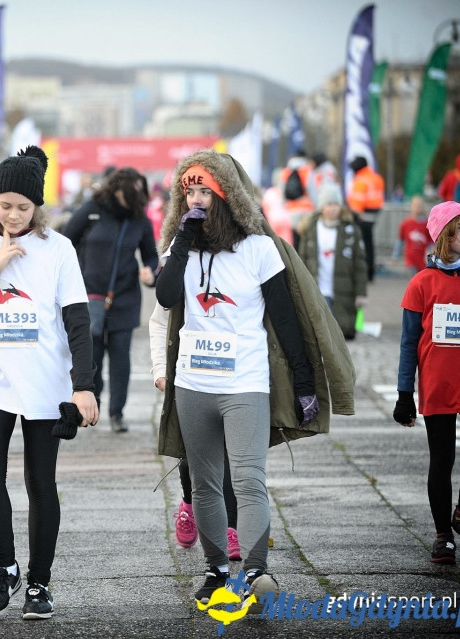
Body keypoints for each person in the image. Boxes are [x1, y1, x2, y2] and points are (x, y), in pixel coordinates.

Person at [155, 149, 328, 607]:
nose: (195, 199)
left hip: (245, 383)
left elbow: (286, 319)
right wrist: (182, 239)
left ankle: (255, 570)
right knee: (205, 484)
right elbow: (166, 295)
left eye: (204, 191)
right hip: (193, 384)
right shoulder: (181, 249)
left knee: (248, 479)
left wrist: (304, 382)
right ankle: (216, 569)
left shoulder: (259, 248)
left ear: (226, 195)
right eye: (188, 191)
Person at [0, 145, 98, 620]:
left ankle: (39, 583)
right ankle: (5, 568)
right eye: (4, 205)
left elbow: (78, 322)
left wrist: (84, 386)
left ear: (37, 207)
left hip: (45, 383)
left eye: (23, 207)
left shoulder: (59, 249)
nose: (12, 215)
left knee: (40, 482)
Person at [393, 201, 460, 566]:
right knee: (442, 460)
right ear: (443, 236)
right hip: (438, 385)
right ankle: (442, 535)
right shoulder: (422, 283)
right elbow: (408, 343)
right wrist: (404, 393)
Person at [62, 167, 158, 433]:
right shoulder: (92, 210)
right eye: (132, 194)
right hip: (89, 295)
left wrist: (150, 273)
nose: (138, 199)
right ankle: (92, 405)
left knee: (120, 357)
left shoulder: (140, 219)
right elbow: (65, 243)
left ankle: (117, 413)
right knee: (91, 355)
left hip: (124, 297)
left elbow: (151, 256)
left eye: (141, 194)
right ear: (117, 191)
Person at [149, 304, 239, 559]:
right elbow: (160, 322)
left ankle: (231, 528)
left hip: (235, 376)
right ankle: (189, 503)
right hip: (190, 376)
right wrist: (160, 368)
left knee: (231, 454)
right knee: (192, 457)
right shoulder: (180, 277)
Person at [296, 183, 368, 340]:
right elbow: (301, 259)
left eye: (336, 204)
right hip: (318, 286)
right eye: (329, 204)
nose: (333, 208)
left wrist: (361, 292)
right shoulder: (310, 229)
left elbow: (360, 264)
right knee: (321, 330)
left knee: (341, 331)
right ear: (322, 207)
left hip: (343, 289)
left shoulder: (351, 231)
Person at [346, 156, 385, 282]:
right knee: (369, 244)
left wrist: (351, 214)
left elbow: (357, 204)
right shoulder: (376, 177)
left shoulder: (360, 180)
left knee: (358, 245)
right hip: (373, 215)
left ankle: (361, 273)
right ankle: (370, 273)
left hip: (361, 216)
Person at [278, 151, 315, 247]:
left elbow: (281, 193)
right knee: (305, 240)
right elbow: (312, 191)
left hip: (290, 211)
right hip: (306, 210)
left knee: (293, 241)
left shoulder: (285, 171)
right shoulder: (307, 170)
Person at [393, 195, 433, 277]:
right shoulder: (405, 224)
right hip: (410, 260)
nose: (418, 207)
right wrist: (395, 256)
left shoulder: (427, 225)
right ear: (411, 206)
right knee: (413, 279)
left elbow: (431, 244)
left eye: (420, 205)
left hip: (423, 260)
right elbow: (399, 241)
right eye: (415, 205)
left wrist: (433, 257)